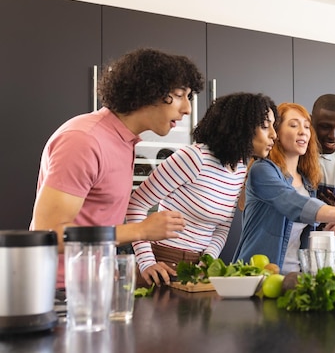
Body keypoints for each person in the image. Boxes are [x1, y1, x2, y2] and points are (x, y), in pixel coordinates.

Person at [30, 48, 205, 288]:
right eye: (179, 95)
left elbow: (95, 221)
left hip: (94, 285)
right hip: (58, 290)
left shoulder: (124, 141)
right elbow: (50, 234)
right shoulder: (84, 140)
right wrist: (140, 231)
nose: (187, 109)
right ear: (148, 92)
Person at [126, 92, 277, 285]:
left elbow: (222, 226)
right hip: (162, 264)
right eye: (265, 126)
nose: (274, 134)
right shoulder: (194, 158)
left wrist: (208, 261)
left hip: (198, 270)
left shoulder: (239, 167)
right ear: (241, 127)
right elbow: (136, 205)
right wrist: (146, 262)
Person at [234, 102, 335, 272]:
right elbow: (291, 203)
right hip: (258, 274)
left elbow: (301, 233)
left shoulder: (308, 182)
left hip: (297, 277)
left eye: (307, 127)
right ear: (275, 132)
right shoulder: (262, 170)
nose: (303, 131)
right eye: (293, 125)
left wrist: (327, 228)